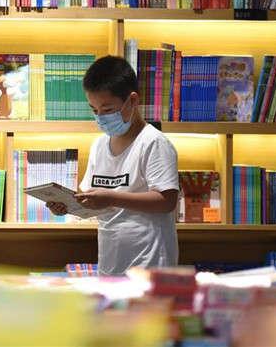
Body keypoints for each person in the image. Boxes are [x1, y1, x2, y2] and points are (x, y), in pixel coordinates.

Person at [46, 56, 179, 276]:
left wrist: (111, 198)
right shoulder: (99, 145)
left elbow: (166, 201)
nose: (100, 117)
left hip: (150, 267)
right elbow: (93, 200)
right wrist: (67, 205)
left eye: (107, 110)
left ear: (133, 100)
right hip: (110, 265)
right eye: (94, 110)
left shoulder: (154, 142)